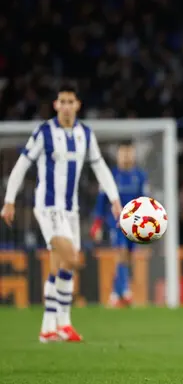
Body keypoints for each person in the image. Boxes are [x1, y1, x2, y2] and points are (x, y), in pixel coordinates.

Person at [1, 85, 121, 342]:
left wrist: (114, 199)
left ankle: (49, 327)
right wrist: (9, 201)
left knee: (60, 265)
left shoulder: (85, 134)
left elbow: (100, 167)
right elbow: (21, 165)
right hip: (48, 207)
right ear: (56, 105)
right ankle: (63, 323)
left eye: (70, 101)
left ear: (77, 105)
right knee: (71, 258)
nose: (66, 106)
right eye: (62, 101)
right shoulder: (44, 132)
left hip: (70, 210)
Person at [90, 141, 149, 308]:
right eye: (123, 153)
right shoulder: (111, 175)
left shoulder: (140, 176)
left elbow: (144, 200)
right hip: (115, 222)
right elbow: (101, 200)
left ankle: (116, 294)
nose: (127, 156)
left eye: (129, 153)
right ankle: (126, 291)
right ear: (118, 155)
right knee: (121, 252)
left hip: (135, 223)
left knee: (127, 257)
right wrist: (97, 223)